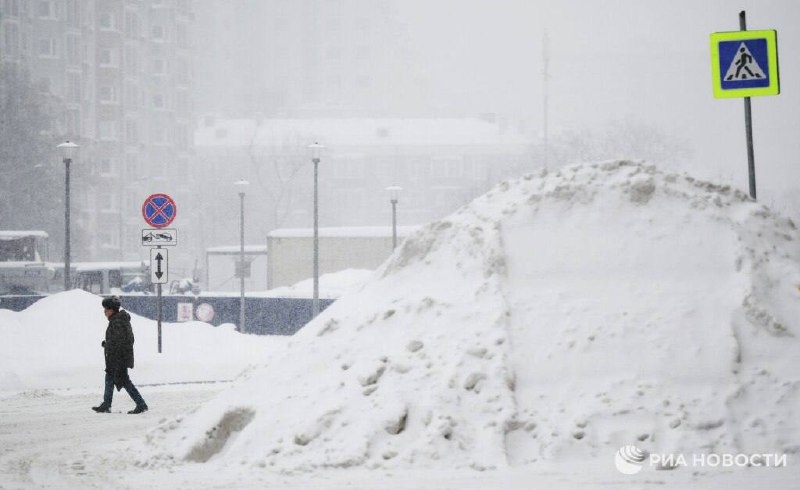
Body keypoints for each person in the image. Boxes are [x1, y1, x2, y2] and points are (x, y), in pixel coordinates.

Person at [91, 296, 149, 414]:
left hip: (118, 359)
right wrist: (108, 344)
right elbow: (119, 340)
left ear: (112, 310)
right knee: (110, 378)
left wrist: (109, 346)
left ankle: (141, 404)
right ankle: (106, 404)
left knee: (124, 381)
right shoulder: (117, 320)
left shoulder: (118, 322)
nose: (104, 312)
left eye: (106, 309)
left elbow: (121, 342)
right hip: (116, 358)